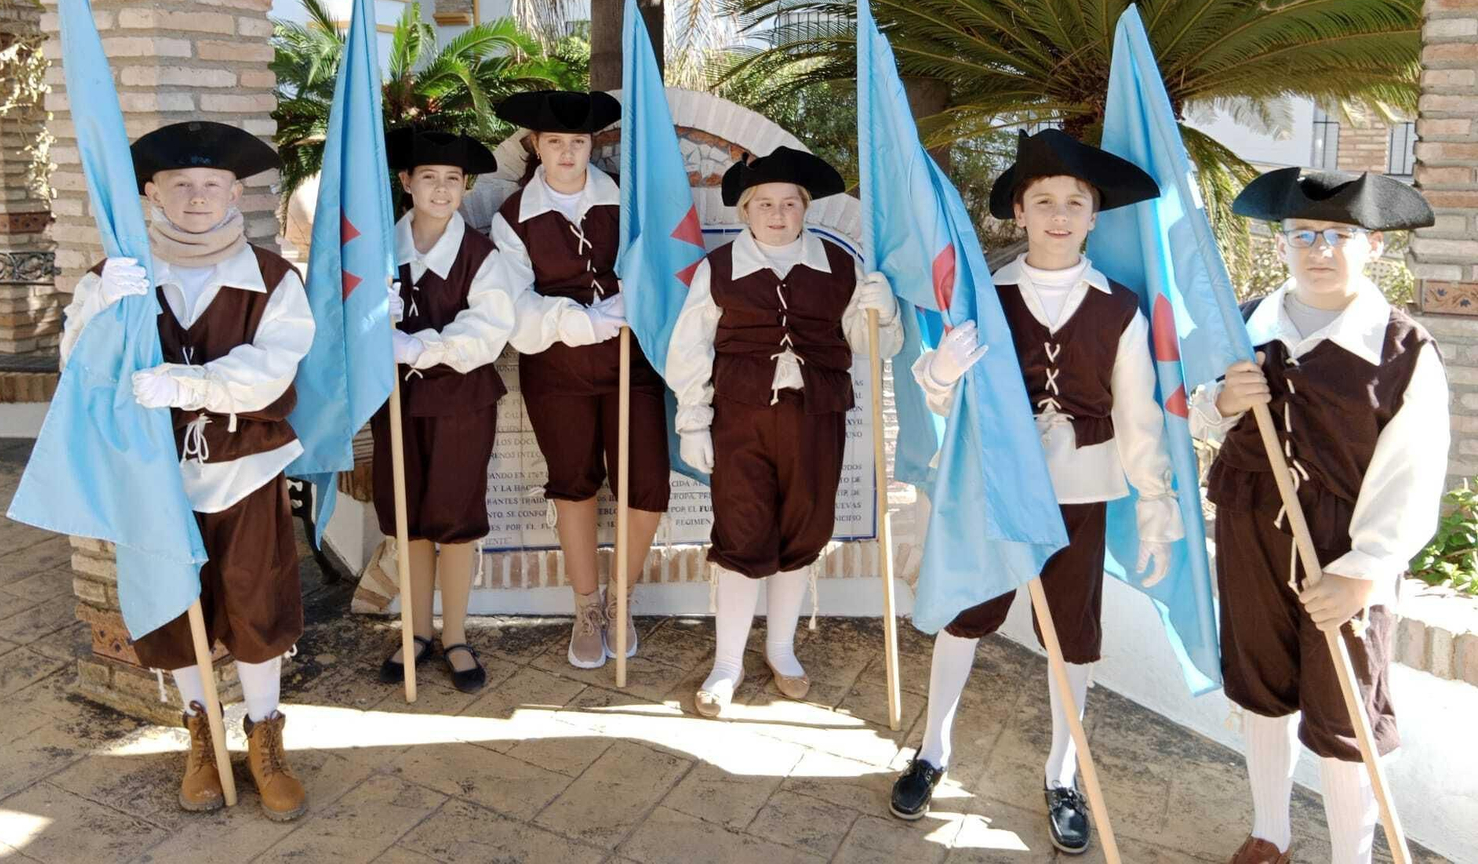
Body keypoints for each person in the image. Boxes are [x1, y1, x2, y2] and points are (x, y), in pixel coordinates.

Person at [889, 128, 1183, 854]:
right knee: (967, 614)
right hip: (993, 487)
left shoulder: (1120, 308)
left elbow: (1139, 417)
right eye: (1043, 201)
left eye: (1074, 203)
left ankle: (1061, 773)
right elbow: (945, 401)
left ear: (1093, 216)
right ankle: (933, 750)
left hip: (1080, 491)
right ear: (1018, 212)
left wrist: (1155, 506)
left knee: (1072, 637)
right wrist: (941, 372)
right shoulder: (985, 297)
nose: (1059, 214)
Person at [59, 121, 314, 821]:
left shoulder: (273, 279)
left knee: (256, 600)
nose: (197, 198)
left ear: (234, 193)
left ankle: (265, 739)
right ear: (153, 193)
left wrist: (189, 384)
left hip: (245, 470)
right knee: (174, 606)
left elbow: (274, 367)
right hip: (155, 475)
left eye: (211, 184)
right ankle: (202, 735)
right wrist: (100, 308)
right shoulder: (118, 277)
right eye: (181, 185)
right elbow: (76, 367)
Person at [1190, 168, 1446, 864]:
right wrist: (1221, 401)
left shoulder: (1402, 350)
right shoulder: (1244, 323)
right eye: (1303, 235)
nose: (1320, 250)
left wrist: (1363, 574)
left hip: (1346, 547)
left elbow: (1413, 472)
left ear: (1374, 247)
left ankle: (1348, 858)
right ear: (1281, 245)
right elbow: (1191, 407)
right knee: (1260, 685)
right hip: (1250, 527)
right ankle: (1270, 833)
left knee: (1345, 710)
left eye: (1339, 235)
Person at [666, 146, 902, 717]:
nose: (778, 214)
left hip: (816, 419)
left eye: (790, 203)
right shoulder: (718, 269)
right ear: (746, 210)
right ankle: (727, 663)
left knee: (804, 527)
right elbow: (690, 348)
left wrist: (885, 311)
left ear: (805, 208)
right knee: (742, 531)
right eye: (766, 203)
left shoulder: (839, 267)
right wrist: (693, 421)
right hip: (740, 421)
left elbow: (873, 346)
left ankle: (780, 648)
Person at [489, 90, 666, 669]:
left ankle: (622, 598)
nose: (568, 153)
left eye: (578, 142)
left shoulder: (627, 204)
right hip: (556, 367)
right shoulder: (513, 218)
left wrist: (634, 302)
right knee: (573, 481)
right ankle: (587, 606)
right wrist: (579, 321)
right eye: (555, 142)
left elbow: (661, 268)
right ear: (536, 146)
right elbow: (512, 304)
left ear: (593, 145)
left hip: (631, 361)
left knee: (646, 482)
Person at [371, 129, 518, 694]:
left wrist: (418, 347)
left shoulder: (481, 256)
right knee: (407, 514)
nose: (441, 189)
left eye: (453, 179)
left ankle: (455, 635)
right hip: (397, 402)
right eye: (428, 177)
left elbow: (488, 328)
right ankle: (416, 631)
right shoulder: (377, 252)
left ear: (465, 187)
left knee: (455, 518)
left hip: (461, 401)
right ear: (406, 181)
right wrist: (370, 320)